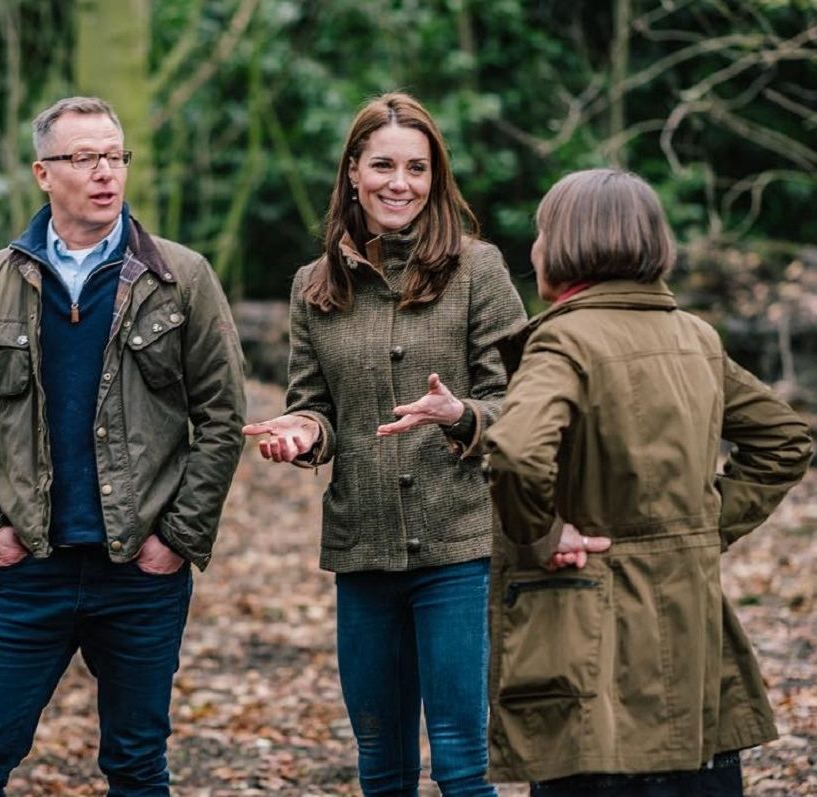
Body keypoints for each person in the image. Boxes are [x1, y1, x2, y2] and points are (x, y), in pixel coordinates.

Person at [0, 96, 246, 797]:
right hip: (30, 567)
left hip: (141, 569)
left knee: (136, 763)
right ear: (44, 174)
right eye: (84, 157)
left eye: (115, 155)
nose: (105, 172)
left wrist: (179, 535)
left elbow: (222, 419)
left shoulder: (181, 277)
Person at [482, 168, 813, 796]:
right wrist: (702, 527)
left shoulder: (564, 341)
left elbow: (518, 451)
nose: (534, 248)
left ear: (568, 244)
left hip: (588, 640)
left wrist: (543, 535)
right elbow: (786, 441)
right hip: (694, 650)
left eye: (541, 232)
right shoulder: (696, 338)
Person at [243, 92, 525, 797]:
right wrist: (304, 433)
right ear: (352, 172)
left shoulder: (478, 270)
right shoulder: (314, 287)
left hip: (459, 545)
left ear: (436, 177)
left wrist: (461, 414)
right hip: (361, 548)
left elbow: (526, 402)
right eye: (384, 165)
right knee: (381, 761)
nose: (401, 183)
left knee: (462, 760)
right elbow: (313, 405)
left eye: (418, 168)